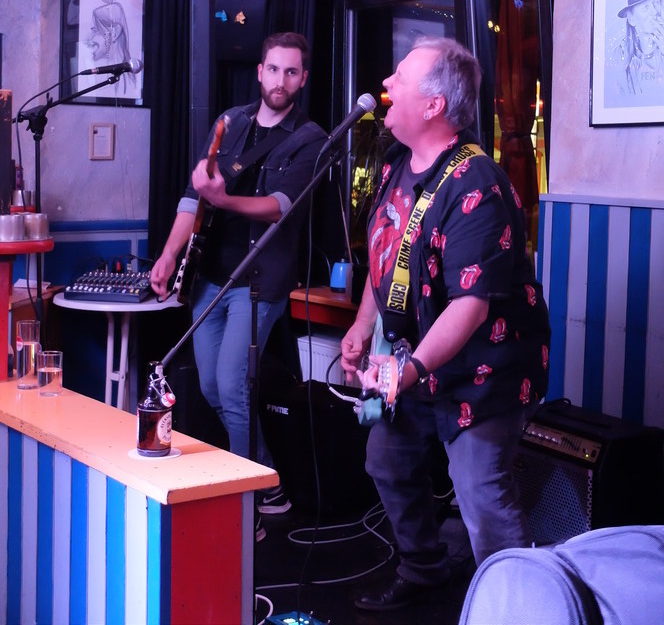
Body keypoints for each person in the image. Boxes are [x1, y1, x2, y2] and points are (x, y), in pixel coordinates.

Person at [341, 37, 551, 611]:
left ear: (434, 105)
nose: (387, 84)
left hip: (484, 372)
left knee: (483, 496)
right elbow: (387, 257)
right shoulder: (395, 165)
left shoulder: (476, 182)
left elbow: (470, 306)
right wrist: (362, 325)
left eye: (401, 77)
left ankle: (520, 610)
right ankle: (426, 569)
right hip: (416, 364)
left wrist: (406, 371)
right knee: (386, 459)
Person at [151, 31, 326, 532]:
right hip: (210, 277)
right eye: (273, 69)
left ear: (303, 78)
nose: (280, 80)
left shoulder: (311, 139)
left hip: (259, 283)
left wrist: (224, 199)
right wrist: (168, 255)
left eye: (291, 71)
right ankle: (268, 481)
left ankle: (245, 507)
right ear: (259, 71)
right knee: (211, 385)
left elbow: (279, 207)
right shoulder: (229, 123)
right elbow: (194, 197)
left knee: (232, 385)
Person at [610, 0, 664, 99]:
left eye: (656, 3)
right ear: (631, 19)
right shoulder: (620, 56)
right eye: (645, 7)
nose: (655, 12)